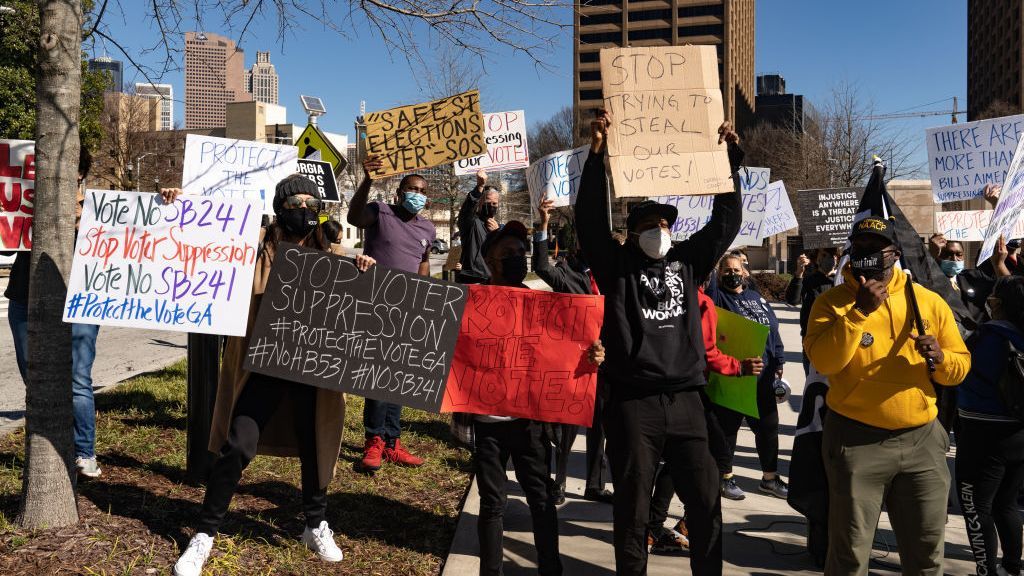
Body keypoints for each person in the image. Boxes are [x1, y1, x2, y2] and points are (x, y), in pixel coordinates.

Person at [575, 110, 743, 576]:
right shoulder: (616, 267)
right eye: (649, 224)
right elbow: (589, 221)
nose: (659, 231)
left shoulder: (689, 263)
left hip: (689, 400)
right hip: (634, 404)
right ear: (632, 232)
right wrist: (597, 155)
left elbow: (725, 223)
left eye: (665, 224)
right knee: (631, 507)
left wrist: (728, 158)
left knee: (707, 503)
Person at [173, 175, 363, 576]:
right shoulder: (256, 244)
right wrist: (175, 204)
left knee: (316, 445)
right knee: (238, 445)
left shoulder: (329, 250)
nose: (307, 209)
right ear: (281, 207)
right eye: (298, 202)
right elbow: (201, 237)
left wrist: (363, 264)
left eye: (313, 203)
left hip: (313, 368)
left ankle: (314, 525)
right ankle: (204, 534)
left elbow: (357, 286)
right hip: (263, 364)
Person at [805, 215, 971, 575]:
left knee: (927, 553)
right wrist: (859, 312)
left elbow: (960, 367)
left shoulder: (927, 301)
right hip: (856, 441)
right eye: (859, 247)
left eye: (876, 249)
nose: (866, 254)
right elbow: (824, 361)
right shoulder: (831, 303)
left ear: (894, 253)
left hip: (922, 442)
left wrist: (940, 359)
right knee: (849, 556)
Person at [470, 219, 605, 576]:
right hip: (487, 424)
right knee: (492, 503)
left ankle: (551, 568)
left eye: (520, 253)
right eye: (508, 253)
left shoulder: (542, 303)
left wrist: (592, 355)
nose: (517, 258)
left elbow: (567, 349)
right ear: (488, 260)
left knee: (542, 497)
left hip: (529, 422)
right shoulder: (468, 302)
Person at [6, 147, 104, 478]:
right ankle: (48, 449)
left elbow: (141, 226)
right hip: (25, 297)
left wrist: (170, 197)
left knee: (77, 376)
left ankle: (83, 451)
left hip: (80, 301)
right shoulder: (27, 200)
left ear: (79, 174)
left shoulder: (96, 211)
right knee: (36, 379)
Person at [646, 279, 762, 553]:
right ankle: (688, 524)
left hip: (662, 390)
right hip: (694, 390)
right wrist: (739, 367)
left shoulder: (656, 295)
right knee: (718, 458)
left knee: (674, 462)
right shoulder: (701, 302)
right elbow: (707, 353)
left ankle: (653, 529)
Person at [347, 155, 436, 472]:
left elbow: (423, 262)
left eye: (422, 190)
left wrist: (425, 296)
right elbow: (354, 216)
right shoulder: (380, 212)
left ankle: (393, 441)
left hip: (408, 309)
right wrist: (368, 179)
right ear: (399, 193)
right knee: (377, 376)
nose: (417, 194)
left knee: (397, 375)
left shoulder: (428, 228)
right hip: (375, 304)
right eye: (411, 188)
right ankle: (374, 441)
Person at [532, 198, 613, 505]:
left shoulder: (611, 274)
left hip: (607, 360)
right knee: (568, 427)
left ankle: (595, 484)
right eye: (583, 242)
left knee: (600, 425)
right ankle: (561, 482)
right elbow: (540, 266)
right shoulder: (567, 274)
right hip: (576, 362)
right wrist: (542, 225)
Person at [955, 276, 1024, 576]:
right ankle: (1012, 566)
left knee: (976, 505)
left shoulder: (988, 335)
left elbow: (959, 371)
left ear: (999, 303)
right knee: (1007, 504)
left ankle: (986, 571)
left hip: (982, 432)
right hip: (1019, 432)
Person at [708, 253, 788, 501]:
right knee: (727, 430)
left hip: (762, 379)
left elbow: (772, 330)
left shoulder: (756, 298)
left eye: (736, 269)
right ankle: (725, 477)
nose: (732, 274)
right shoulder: (717, 298)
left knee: (768, 429)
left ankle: (770, 478)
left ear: (745, 272)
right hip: (733, 376)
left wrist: (779, 359)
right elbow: (710, 283)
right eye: (726, 270)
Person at [785, 247, 839, 374]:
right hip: (813, 341)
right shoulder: (809, 281)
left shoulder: (842, 281)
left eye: (833, 255)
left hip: (837, 340)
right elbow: (793, 300)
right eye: (824, 255)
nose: (830, 258)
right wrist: (799, 273)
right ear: (817, 259)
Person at [456, 170, 500, 284]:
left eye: (494, 203)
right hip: (473, 279)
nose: (491, 206)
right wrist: (480, 186)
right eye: (488, 202)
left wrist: (497, 234)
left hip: (494, 280)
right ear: (480, 202)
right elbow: (467, 210)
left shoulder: (500, 228)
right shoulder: (471, 222)